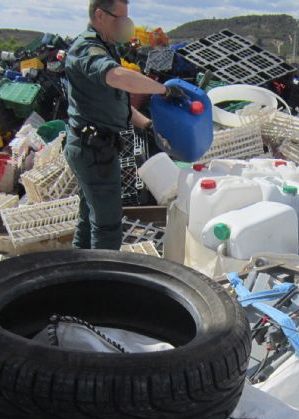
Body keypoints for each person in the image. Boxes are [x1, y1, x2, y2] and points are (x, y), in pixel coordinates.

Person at [64, 0, 185, 250]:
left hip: (96, 147)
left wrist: (147, 125)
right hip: (92, 150)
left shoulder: (106, 47)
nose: (126, 25)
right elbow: (118, 77)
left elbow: (114, 103)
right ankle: (102, 284)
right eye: (120, 18)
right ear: (100, 15)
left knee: (89, 218)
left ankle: (78, 272)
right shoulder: (87, 50)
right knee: (107, 226)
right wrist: (163, 90)